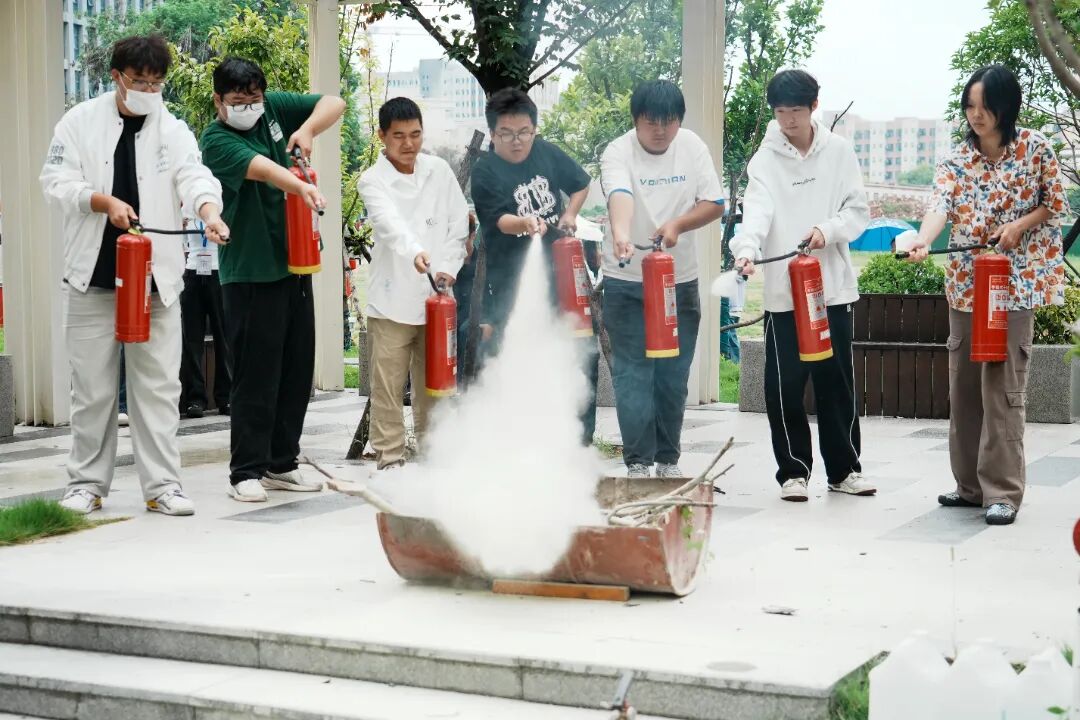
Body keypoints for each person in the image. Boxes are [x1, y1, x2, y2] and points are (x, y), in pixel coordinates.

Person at [40, 34, 229, 516]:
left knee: (159, 389)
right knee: (92, 390)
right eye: (139, 81)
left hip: (155, 283)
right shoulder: (79, 122)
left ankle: (163, 486)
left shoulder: (173, 129)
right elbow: (55, 182)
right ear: (117, 77)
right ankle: (86, 484)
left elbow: (194, 176)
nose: (148, 90)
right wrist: (101, 202)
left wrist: (209, 211)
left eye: (156, 82)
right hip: (92, 279)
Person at [906, 64, 1069, 526]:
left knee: (1001, 389)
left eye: (984, 106)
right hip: (966, 289)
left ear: (1006, 107)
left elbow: (1055, 204)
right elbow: (939, 206)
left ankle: (1002, 492)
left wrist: (1019, 225)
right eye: (969, 106)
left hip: (1016, 287)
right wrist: (923, 240)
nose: (976, 115)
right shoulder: (956, 160)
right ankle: (970, 487)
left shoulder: (1035, 148)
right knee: (964, 389)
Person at [200, 57, 346, 503]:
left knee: (296, 369)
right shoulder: (215, 140)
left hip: (294, 265)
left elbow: (333, 102)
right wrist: (301, 185)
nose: (249, 107)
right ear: (218, 101)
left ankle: (282, 463)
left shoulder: (275, 109)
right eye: (238, 100)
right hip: (249, 271)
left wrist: (309, 130)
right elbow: (262, 168)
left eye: (255, 98)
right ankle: (246, 470)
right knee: (255, 375)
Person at [730, 69, 875, 502]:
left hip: (832, 288)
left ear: (814, 106)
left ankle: (844, 470)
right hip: (783, 293)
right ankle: (793, 472)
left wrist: (826, 230)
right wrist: (746, 248)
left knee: (836, 383)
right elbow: (756, 211)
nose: (788, 121)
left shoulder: (839, 152)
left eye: (795, 111)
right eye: (780, 112)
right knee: (784, 386)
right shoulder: (765, 160)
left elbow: (858, 211)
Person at [600, 80, 726, 479]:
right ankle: (638, 462)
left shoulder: (691, 146)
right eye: (650, 122)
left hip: (678, 281)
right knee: (632, 374)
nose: (660, 131)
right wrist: (622, 234)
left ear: (679, 121)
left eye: (668, 122)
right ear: (635, 120)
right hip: (625, 280)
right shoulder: (618, 151)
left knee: (673, 375)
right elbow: (620, 194)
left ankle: (668, 460)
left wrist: (677, 225)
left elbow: (714, 203)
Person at [469, 88, 598, 444]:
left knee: (578, 353)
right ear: (492, 133)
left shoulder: (545, 152)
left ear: (535, 129)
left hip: (563, 277)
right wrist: (526, 223)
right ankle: (525, 442)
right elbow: (498, 221)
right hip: (512, 286)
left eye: (524, 132)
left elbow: (581, 184)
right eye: (507, 134)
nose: (517, 141)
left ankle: (579, 444)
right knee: (523, 357)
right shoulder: (484, 172)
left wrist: (570, 214)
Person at [357, 97, 468, 471]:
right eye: (399, 136)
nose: (409, 144)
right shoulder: (372, 180)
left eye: (415, 134)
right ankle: (389, 459)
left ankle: (433, 457)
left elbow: (458, 225)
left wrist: (448, 267)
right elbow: (390, 225)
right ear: (382, 136)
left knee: (434, 385)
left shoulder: (439, 170)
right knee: (387, 386)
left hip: (438, 298)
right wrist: (416, 252)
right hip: (392, 300)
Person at [178, 211, 231, 418]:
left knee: (223, 338)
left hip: (219, 273)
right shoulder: (185, 210)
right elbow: (180, 245)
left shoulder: (219, 209)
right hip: (192, 273)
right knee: (192, 340)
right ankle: (195, 399)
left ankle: (226, 397)